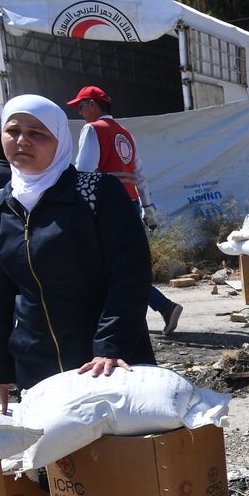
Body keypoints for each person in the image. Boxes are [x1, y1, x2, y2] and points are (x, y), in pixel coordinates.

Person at [0, 95, 154, 413]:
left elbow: (130, 274)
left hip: (105, 362)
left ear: (60, 141)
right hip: (37, 368)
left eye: (38, 133)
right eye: (13, 131)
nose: (23, 141)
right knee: (56, 461)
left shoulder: (96, 194)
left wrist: (110, 346)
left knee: (119, 458)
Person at [67, 85, 182, 335]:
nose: (78, 110)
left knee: (109, 267)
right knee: (125, 265)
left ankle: (152, 310)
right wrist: (147, 208)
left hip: (104, 206)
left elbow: (84, 171)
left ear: (93, 105)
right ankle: (160, 307)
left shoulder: (93, 130)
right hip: (128, 204)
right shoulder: (125, 133)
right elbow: (139, 174)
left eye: (80, 105)